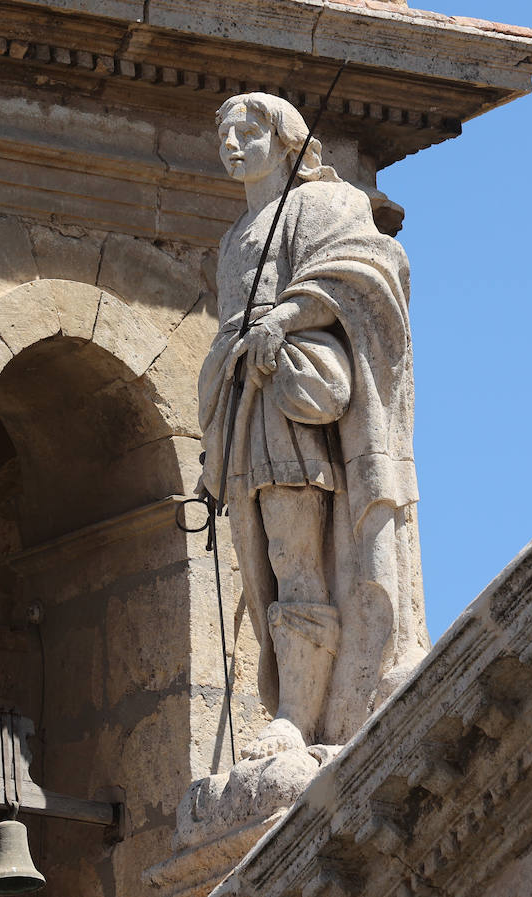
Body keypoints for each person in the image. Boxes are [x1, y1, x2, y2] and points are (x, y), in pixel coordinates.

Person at [199, 93, 429, 758]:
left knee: (303, 560)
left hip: (297, 406)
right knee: (274, 561)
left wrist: (288, 315)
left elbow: (371, 269)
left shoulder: (324, 205)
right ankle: (299, 707)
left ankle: (303, 718)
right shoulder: (233, 240)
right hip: (249, 407)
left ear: (285, 139)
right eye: (225, 137)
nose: (232, 146)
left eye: (248, 133)